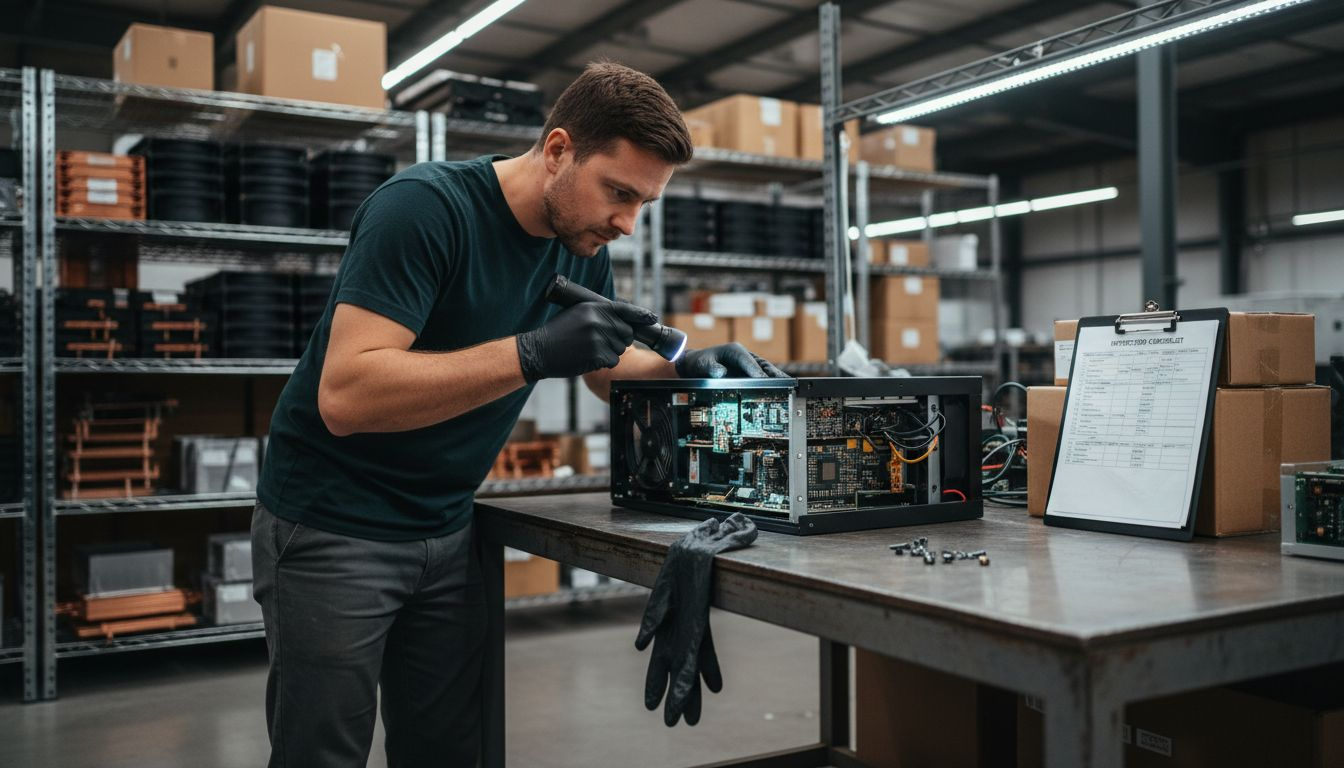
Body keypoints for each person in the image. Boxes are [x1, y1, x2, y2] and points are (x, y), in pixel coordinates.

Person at [252, 61, 788, 768]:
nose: (626, 223)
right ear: (559, 149)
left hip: (448, 529)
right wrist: (531, 352)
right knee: (322, 754)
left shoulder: (581, 244)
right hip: (333, 526)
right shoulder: (423, 209)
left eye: (643, 204)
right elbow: (347, 396)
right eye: (618, 192)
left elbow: (600, 369)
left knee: (447, 751)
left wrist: (680, 371)